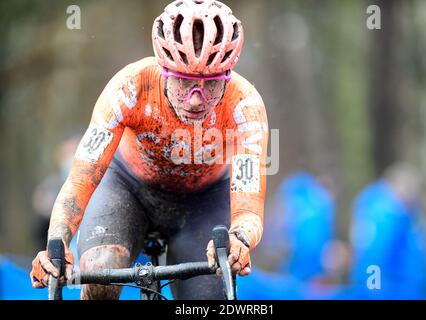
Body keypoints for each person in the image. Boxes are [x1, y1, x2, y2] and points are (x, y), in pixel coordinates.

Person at [30, 0, 268, 300]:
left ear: (228, 76)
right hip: (127, 190)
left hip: (203, 203)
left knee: (207, 299)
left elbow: (248, 207)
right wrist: (57, 242)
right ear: (163, 70)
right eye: (183, 82)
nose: (196, 99)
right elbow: (81, 178)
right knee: (101, 273)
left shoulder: (245, 106)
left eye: (210, 85)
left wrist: (239, 239)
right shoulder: (129, 87)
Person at [348, 163, 426, 299]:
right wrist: (372, 289)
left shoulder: (405, 216)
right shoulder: (382, 214)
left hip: (407, 289)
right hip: (390, 291)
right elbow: (374, 254)